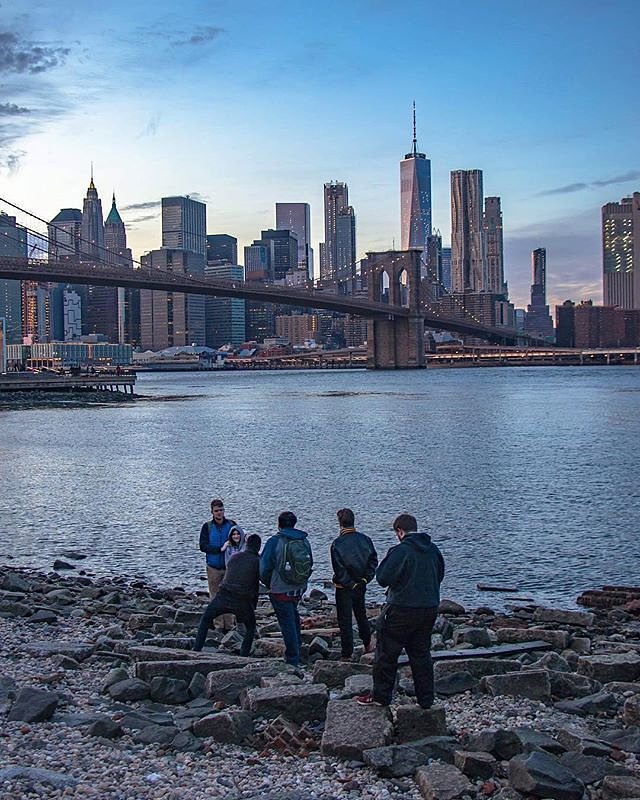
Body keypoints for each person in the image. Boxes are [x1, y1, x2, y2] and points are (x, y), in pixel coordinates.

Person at [356, 513, 444, 709]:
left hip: (401, 607)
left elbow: (382, 578)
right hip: (428, 607)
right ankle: (426, 699)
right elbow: (440, 574)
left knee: (386, 653)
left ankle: (381, 697)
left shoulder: (401, 550)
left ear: (400, 531)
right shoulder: (433, 549)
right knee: (421, 653)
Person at [193, 534, 262, 655]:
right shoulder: (258, 561)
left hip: (224, 595)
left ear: (246, 544)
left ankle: (196, 649)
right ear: (259, 547)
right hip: (243, 600)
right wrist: (253, 605)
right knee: (250, 628)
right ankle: (244, 655)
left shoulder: (235, 557)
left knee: (206, 619)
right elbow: (256, 585)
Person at [260, 511, 313, 667]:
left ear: (279, 524)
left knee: (287, 623)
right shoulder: (303, 540)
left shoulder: (274, 541)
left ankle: (292, 660)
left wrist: (269, 583)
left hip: (280, 589)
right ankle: (298, 651)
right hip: (299, 588)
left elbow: (264, 568)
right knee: (293, 616)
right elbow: (309, 563)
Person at [330, 508, 378, 661]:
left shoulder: (337, 544)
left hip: (344, 587)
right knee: (361, 614)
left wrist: (350, 583)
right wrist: (365, 579)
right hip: (361, 583)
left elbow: (338, 569)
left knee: (345, 620)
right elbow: (373, 561)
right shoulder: (365, 540)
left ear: (340, 523)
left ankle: (347, 653)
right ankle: (367, 643)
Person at [198, 498, 239, 630]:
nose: (219, 513)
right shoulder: (207, 527)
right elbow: (203, 546)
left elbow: (239, 541)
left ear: (224, 510)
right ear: (212, 512)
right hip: (213, 567)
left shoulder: (232, 524)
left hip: (229, 567)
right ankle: (218, 625)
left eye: (221, 510)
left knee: (230, 596)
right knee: (215, 596)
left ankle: (229, 624)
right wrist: (219, 549)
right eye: (216, 511)